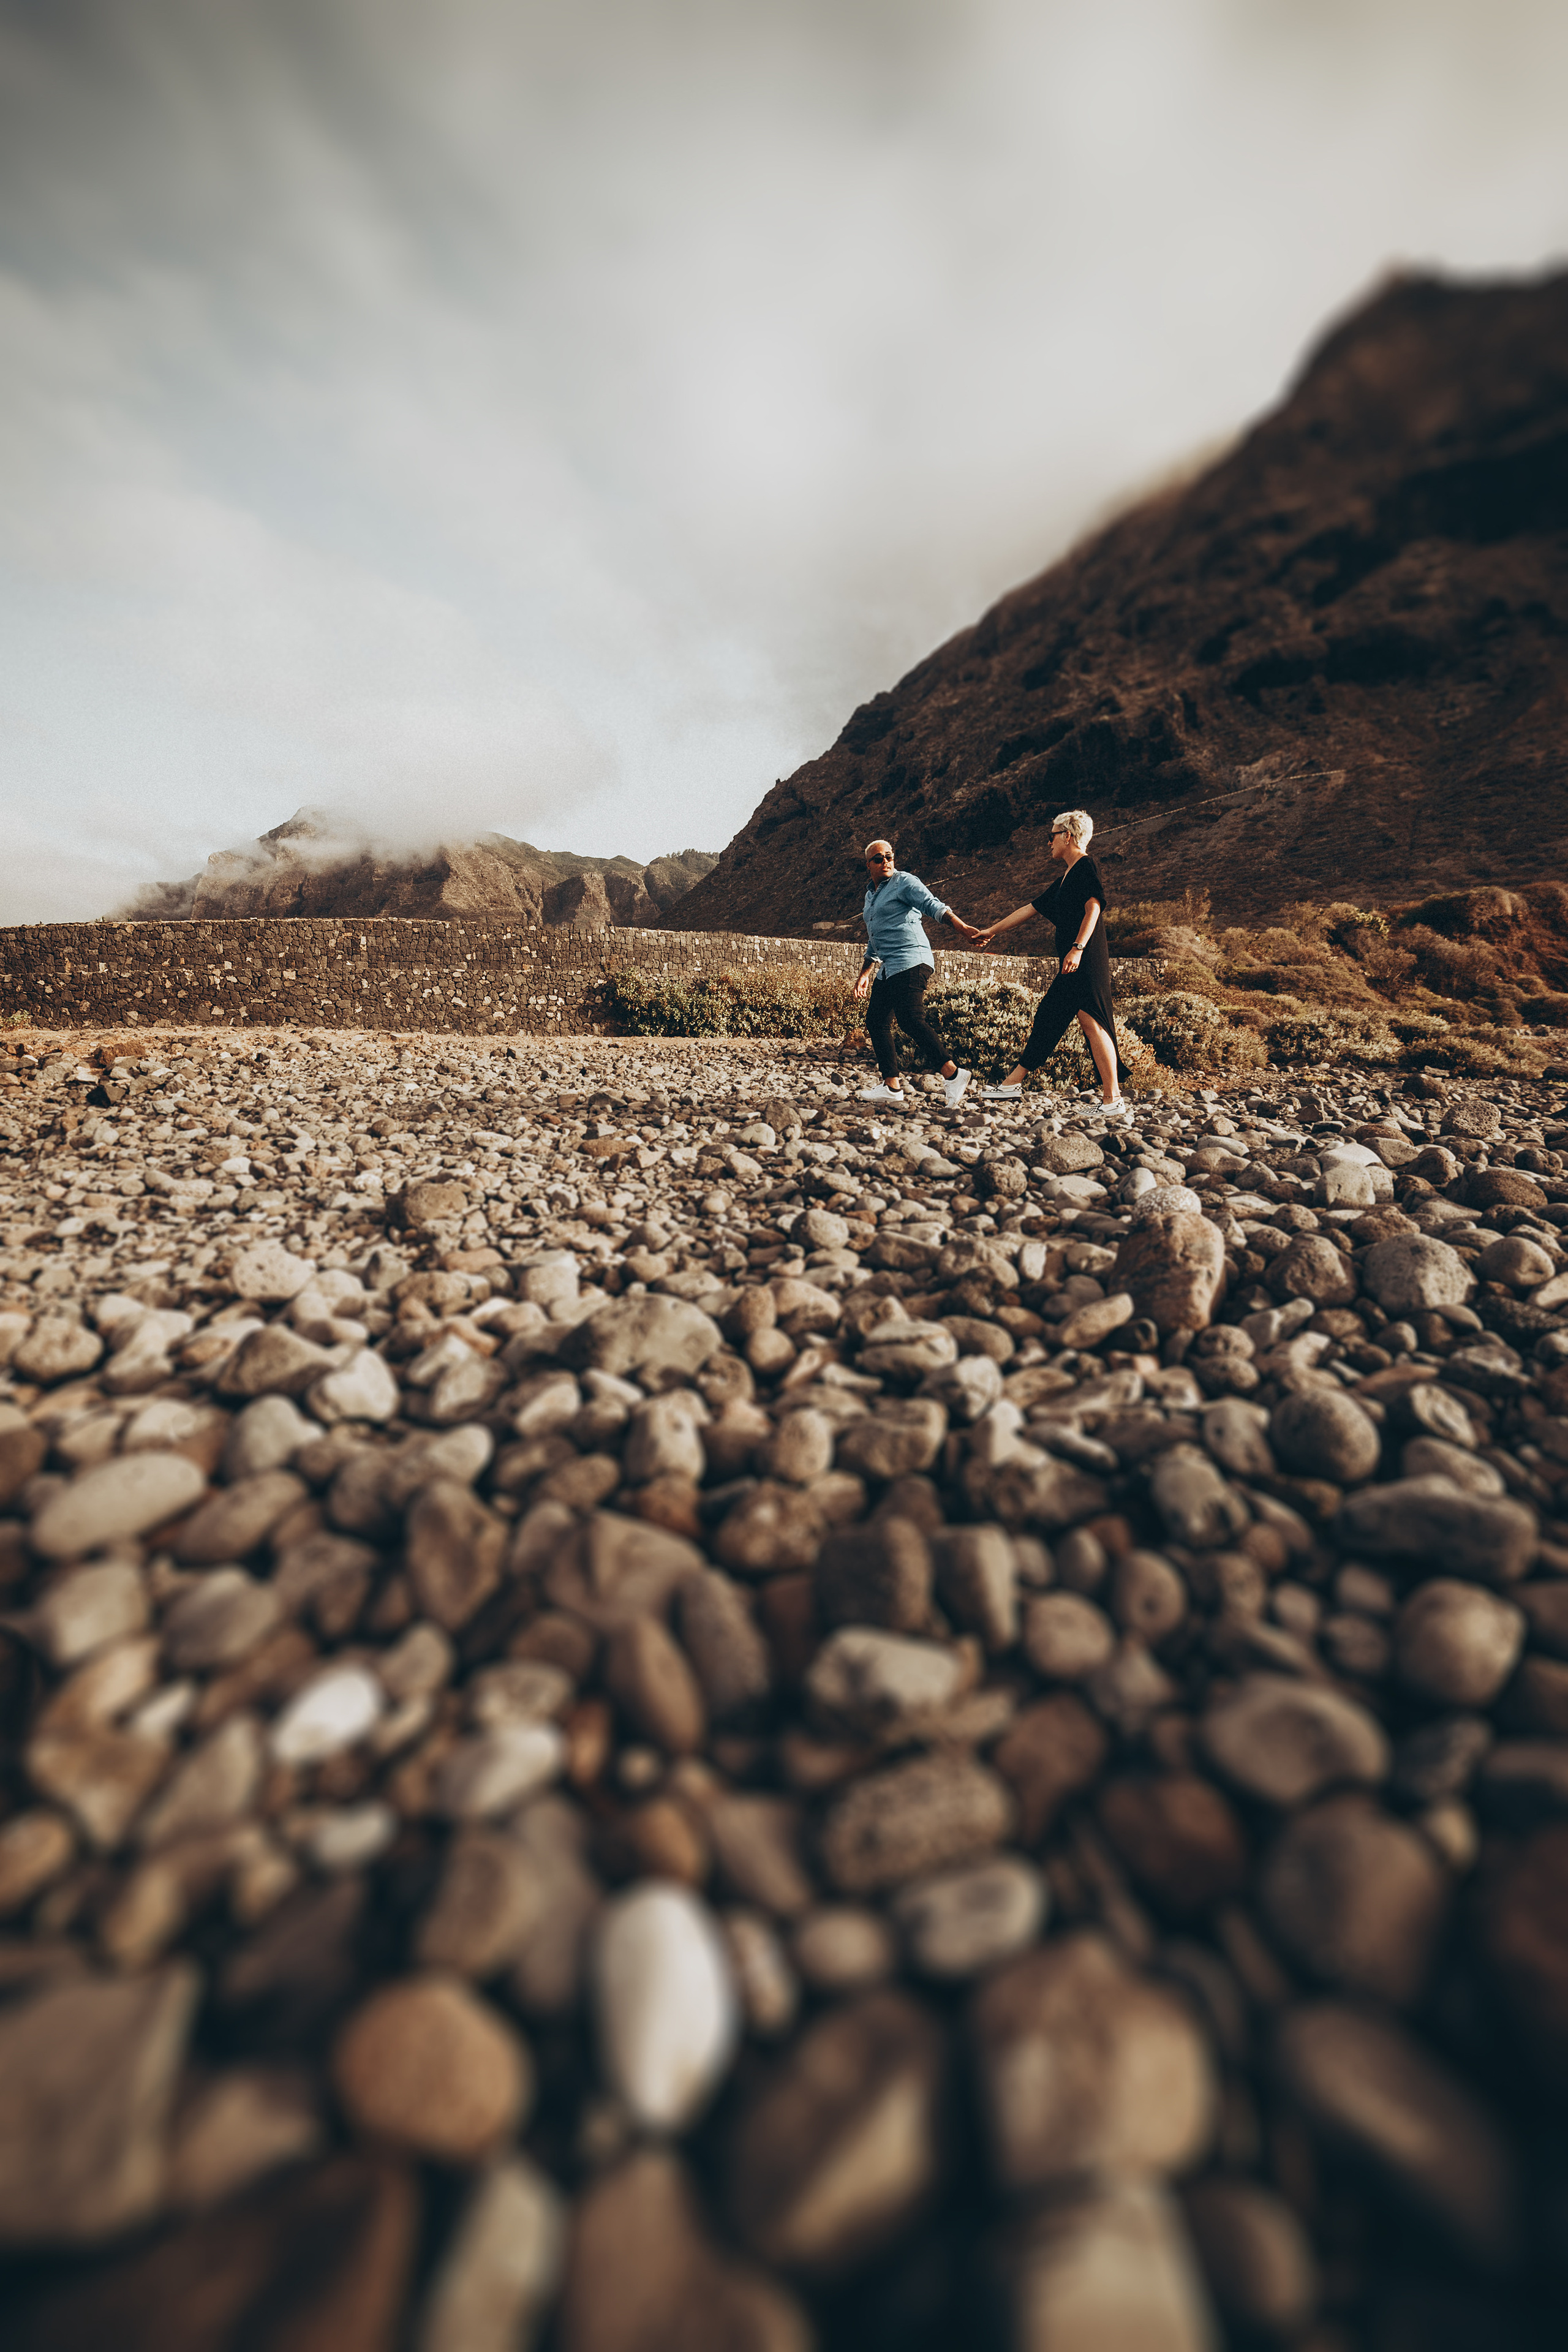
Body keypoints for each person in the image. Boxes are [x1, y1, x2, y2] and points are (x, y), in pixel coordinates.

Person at [971, 808, 1127, 1114]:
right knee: (1050, 1017)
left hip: (1085, 958)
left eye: (1052, 835)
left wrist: (1078, 948)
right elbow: (1031, 908)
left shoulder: (1085, 866)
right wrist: (992, 931)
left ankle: (1113, 1100)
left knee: (1093, 1023)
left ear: (1068, 836)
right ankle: (1010, 1086)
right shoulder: (1066, 877)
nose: (1049, 842)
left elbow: (1093, 908)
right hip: (1076, 960)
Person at [852, 839, 979, 1106]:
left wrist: (962, 927)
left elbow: (933, 905)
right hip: (889, 968)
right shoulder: (870, 896)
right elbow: (874, 937)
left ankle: (953, 1075)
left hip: (911, 958)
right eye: (879, 858)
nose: (885, 861)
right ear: (869, 865)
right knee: (876, 1022)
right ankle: (892, 1088)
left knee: (910, 1019)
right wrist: (865, 972)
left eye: (889, 856)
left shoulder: (904, 882)